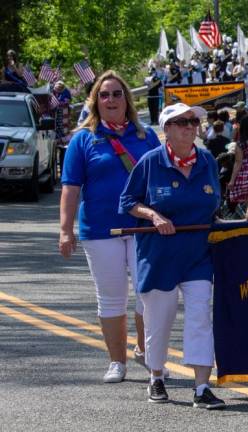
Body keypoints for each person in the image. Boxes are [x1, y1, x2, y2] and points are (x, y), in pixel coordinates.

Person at [119, 103, 225, 409]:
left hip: (197, 255)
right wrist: (153, 216)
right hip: (159, 255)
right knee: (158, 321)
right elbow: (128, 201)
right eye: (181, 122)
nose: (190, 126)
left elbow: (213, 205)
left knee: (200, 318)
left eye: (193, 121)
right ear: (166, 128)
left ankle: (202, 386)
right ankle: (156, 377)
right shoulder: (151, 162)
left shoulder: (206, 160)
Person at [59, 70, 162, 384]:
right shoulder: (83, 140)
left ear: (127, 100)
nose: (111, 100)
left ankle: (147, 352)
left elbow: (163, 179)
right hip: (101, 230)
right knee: (112, 297)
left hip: (143, 227)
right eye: (104, 95)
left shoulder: (147, 137)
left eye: (117, 94)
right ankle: (117, 362)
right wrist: (65, 230)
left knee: (151, 293)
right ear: (95, 101)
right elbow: (70, 187)